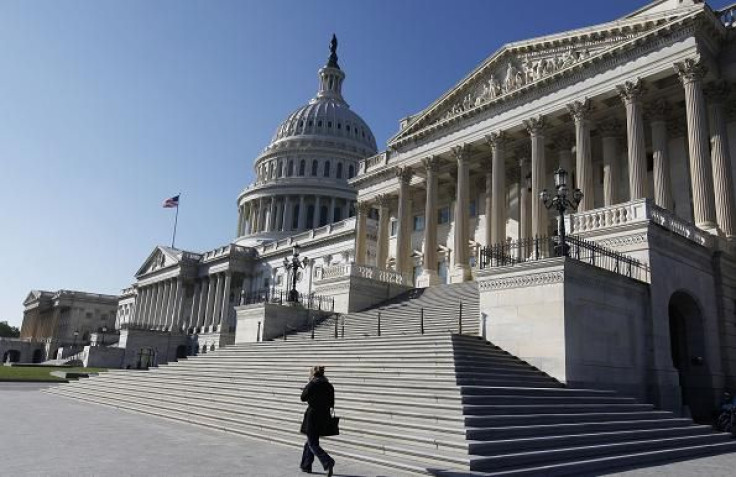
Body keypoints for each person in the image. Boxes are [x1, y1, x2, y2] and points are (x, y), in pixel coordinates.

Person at [300, 365, 336, 475]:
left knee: (312, 443)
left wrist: (307, 387)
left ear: (313, 374)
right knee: (310, 441)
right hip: (324, 416)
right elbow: (331, 403)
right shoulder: (329, 385)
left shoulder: (312, 384)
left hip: (312, 416)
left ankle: (328, 461)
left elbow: (303, 398)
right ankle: (306, 465)